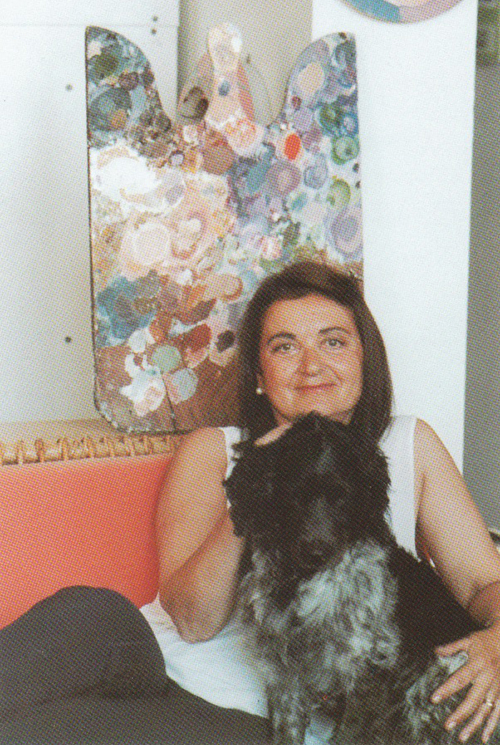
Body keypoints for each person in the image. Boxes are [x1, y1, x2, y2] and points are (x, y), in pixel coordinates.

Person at [1, 260, 500, 745]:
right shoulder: (215, 450)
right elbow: (193, 620)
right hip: (166, 663)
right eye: (285, 347)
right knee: (88, 610)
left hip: (245, 716)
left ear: (364, 359)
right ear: (259, 373)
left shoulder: (407, 444)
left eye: (333, 341)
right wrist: (259, 479)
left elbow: (483, 583)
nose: (311, 365)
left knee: (37, 730)